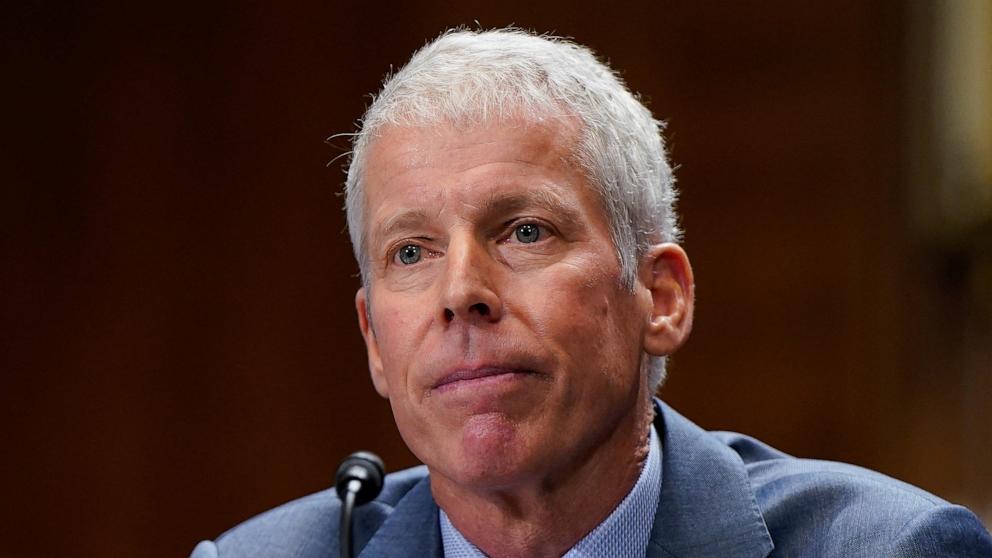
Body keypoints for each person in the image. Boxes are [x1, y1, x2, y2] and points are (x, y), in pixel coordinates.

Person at [191, 28, 992, 558]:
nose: (461, 291)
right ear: (373, 338)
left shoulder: (889, 549)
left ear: (662, 295)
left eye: (525, 231)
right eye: (411, 251)